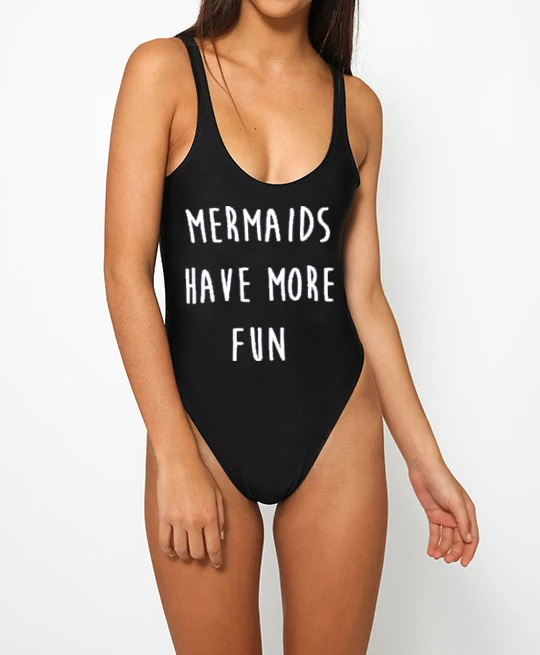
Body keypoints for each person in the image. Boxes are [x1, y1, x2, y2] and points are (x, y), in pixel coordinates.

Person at [104, 1, 479, 652]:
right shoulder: (163, 72)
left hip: (336, 430)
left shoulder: (358, 109)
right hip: (200, 433)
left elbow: (364, 295)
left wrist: (425, 460)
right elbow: (124, 273)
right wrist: (174, 456)